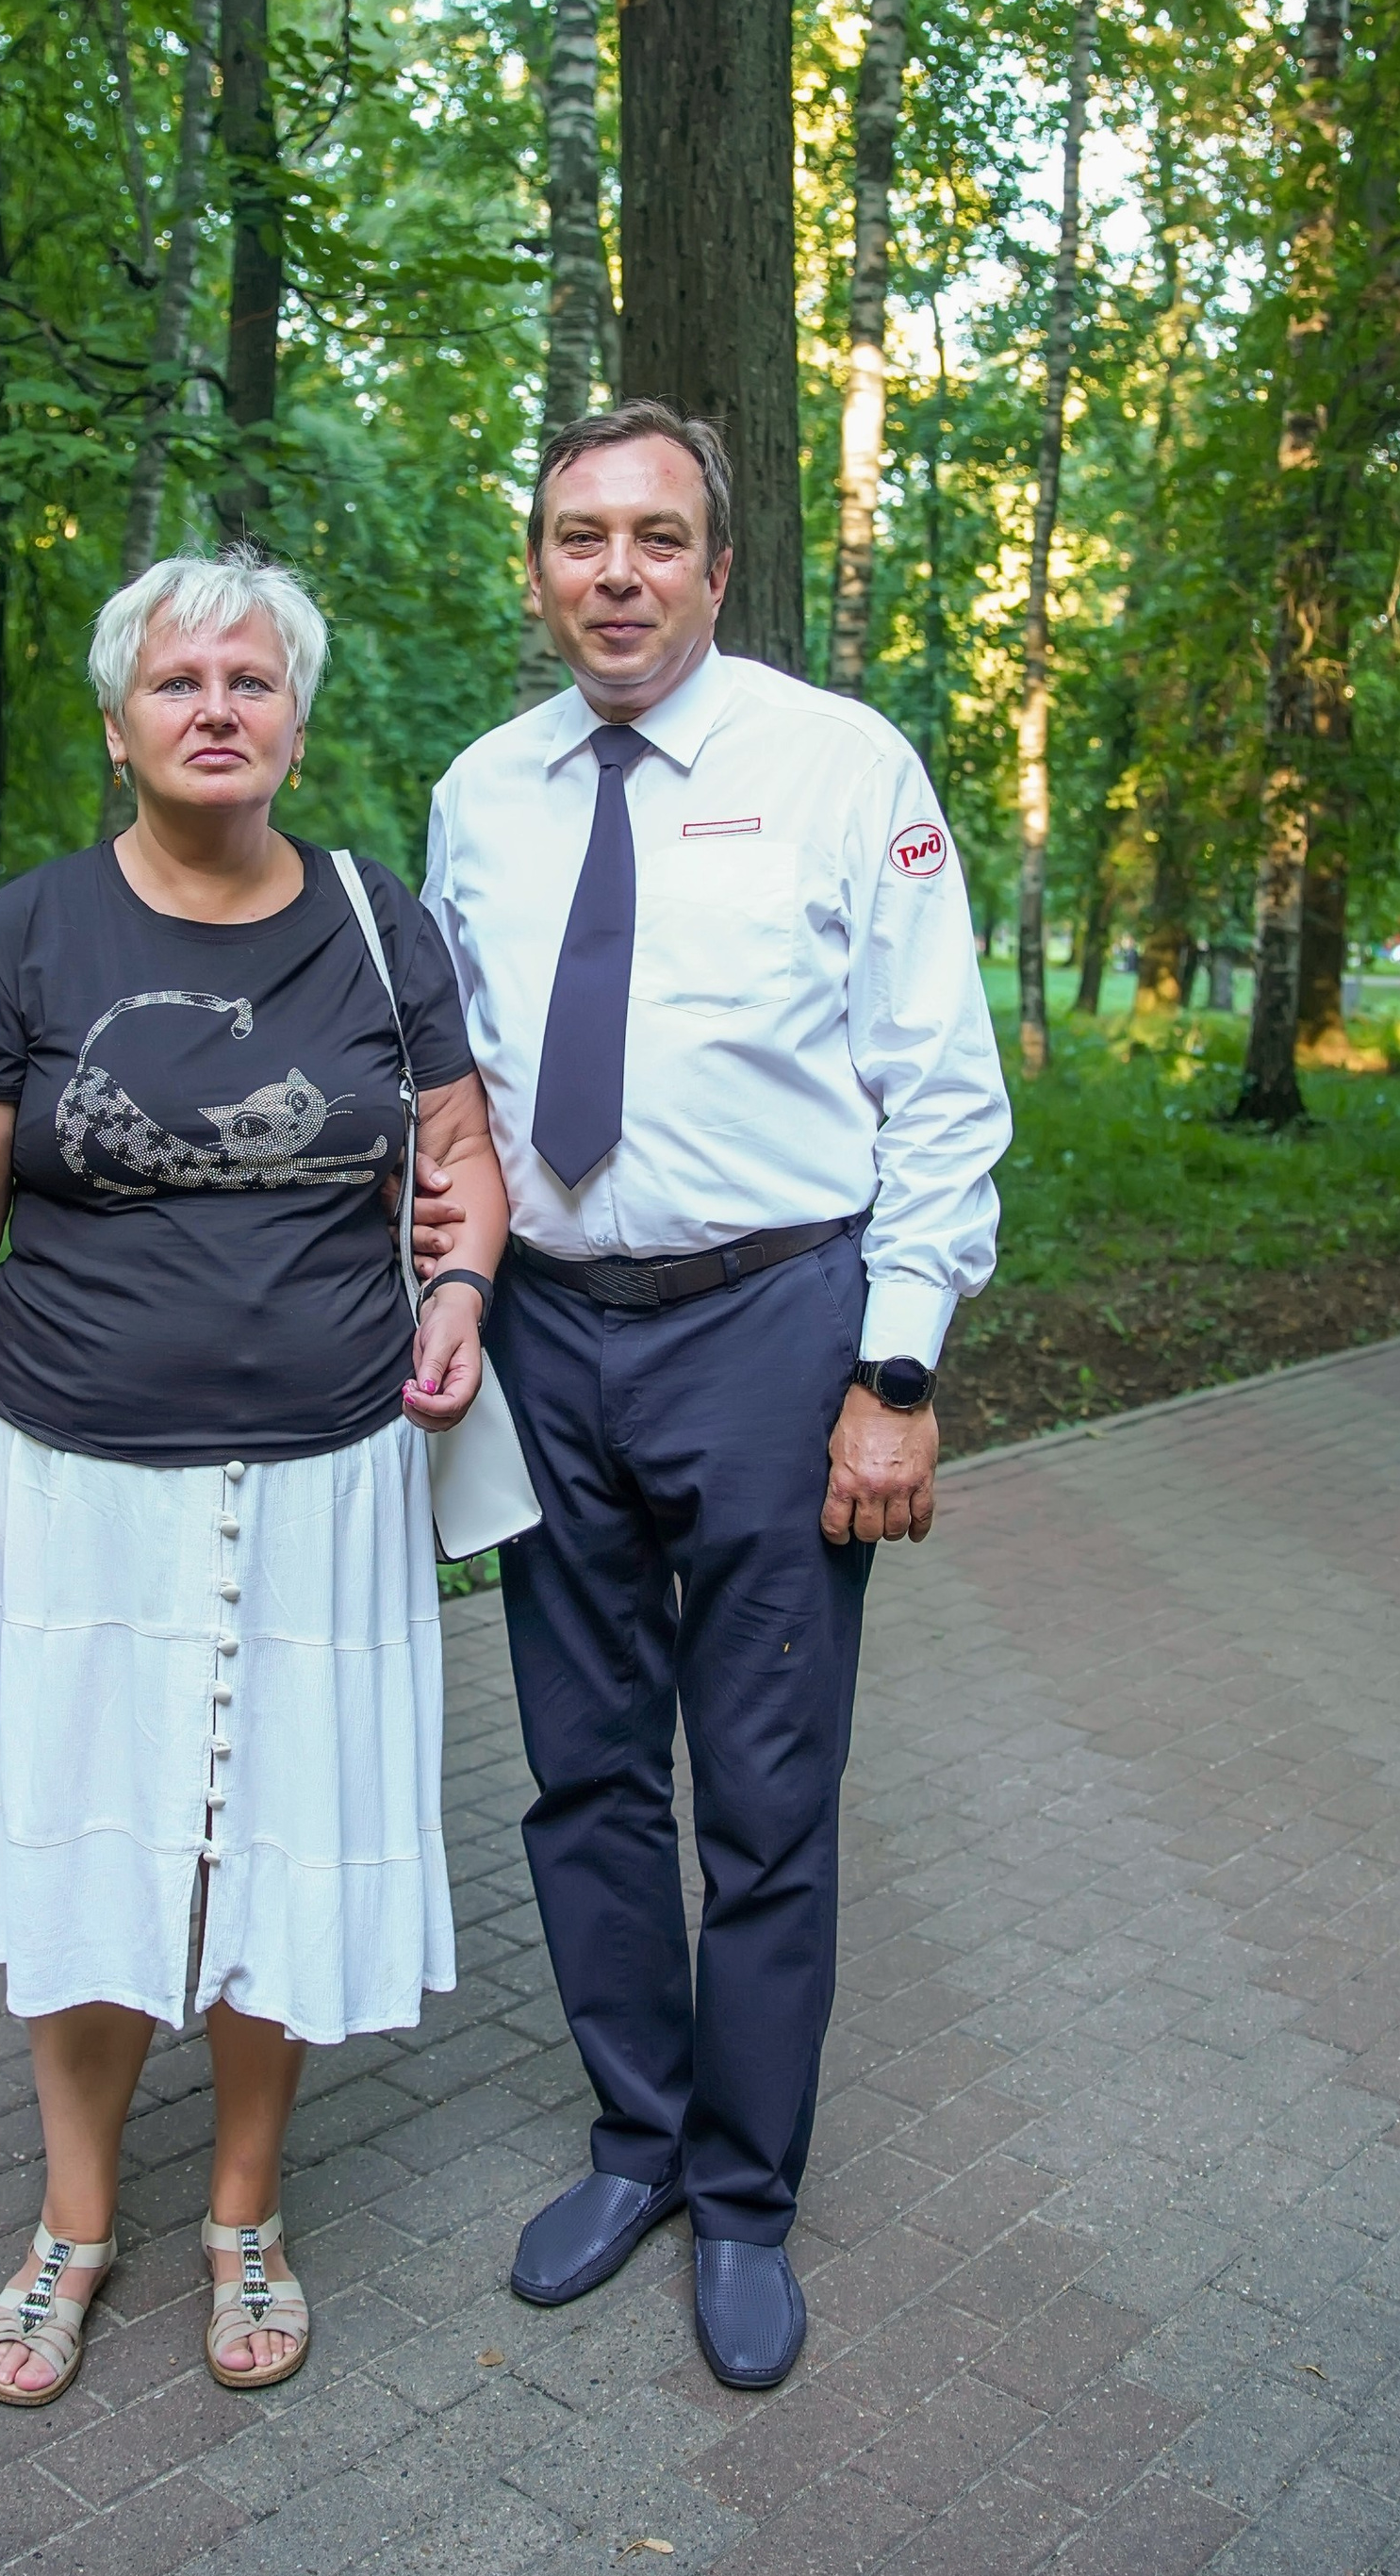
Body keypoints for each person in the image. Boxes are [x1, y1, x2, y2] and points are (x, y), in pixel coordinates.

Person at [419, 400, 1012, 2391]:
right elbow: (458, 1096)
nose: (613, 571)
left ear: (716, 564)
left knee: (762, 1792)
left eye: (653, 536)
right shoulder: (477, 792)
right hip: (545, 1340)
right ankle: (635, 2141)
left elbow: (936, 1088)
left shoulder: (841, 766)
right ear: (535, 566)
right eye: (577, 536)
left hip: (771, 1324)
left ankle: (747, 2194)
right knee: (581, 1771)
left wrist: (896, 1367)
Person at [0, 549, 508, 2407]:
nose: (216, 704)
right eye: (178, 681)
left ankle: (244, 2209)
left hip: (324, 1477)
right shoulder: (26, 937)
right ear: (116, 725)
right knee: (86, 1839)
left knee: (273, 1847)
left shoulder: (383, 928)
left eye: (251, 678)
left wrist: (462, 1278)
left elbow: (463, 1159)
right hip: (68, 1473)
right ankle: (73, 2222)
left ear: (295, 724)